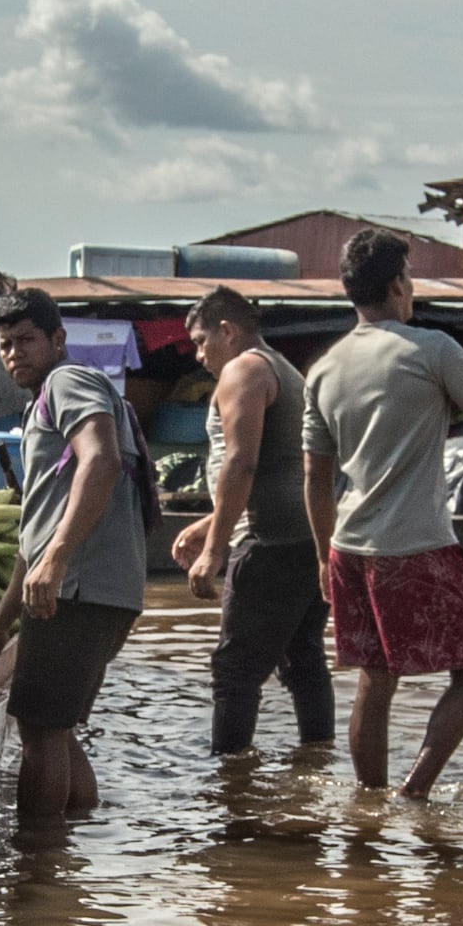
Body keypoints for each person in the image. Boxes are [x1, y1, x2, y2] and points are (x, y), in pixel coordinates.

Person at [298, 230, 463, 797]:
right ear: (396, 286)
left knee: (376, 677)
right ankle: (414, 791)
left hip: (349, 549)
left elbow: (314, 477)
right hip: (416, 546)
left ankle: (369, 806)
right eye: (409, 278)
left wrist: (322, 556)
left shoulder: (325, 368)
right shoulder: (430, 348)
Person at [0, 288, 158, 830]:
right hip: (95, 591)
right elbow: (34, 534)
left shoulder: (69, 382)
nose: (14, 353)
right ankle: (73, 857)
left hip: (79, 588)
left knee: (40, 731)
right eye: (5, 345)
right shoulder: (45, 400)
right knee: (54, 728)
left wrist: (58, 559)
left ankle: (36, 872)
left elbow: (102, 460)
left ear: (58, 340)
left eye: (26, 340)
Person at [169, 287, 333, 755]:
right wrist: (209, 526)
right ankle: (316, 758)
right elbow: (274, 464)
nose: (199, 355)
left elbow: (241, 464)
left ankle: (230, 784)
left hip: (268, 541)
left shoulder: (245, 368)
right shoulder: (282, 368)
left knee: (235, 670)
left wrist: (214, 552)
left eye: (202, 342)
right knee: (302, 658)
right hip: (306, 540)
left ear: (228, 330)